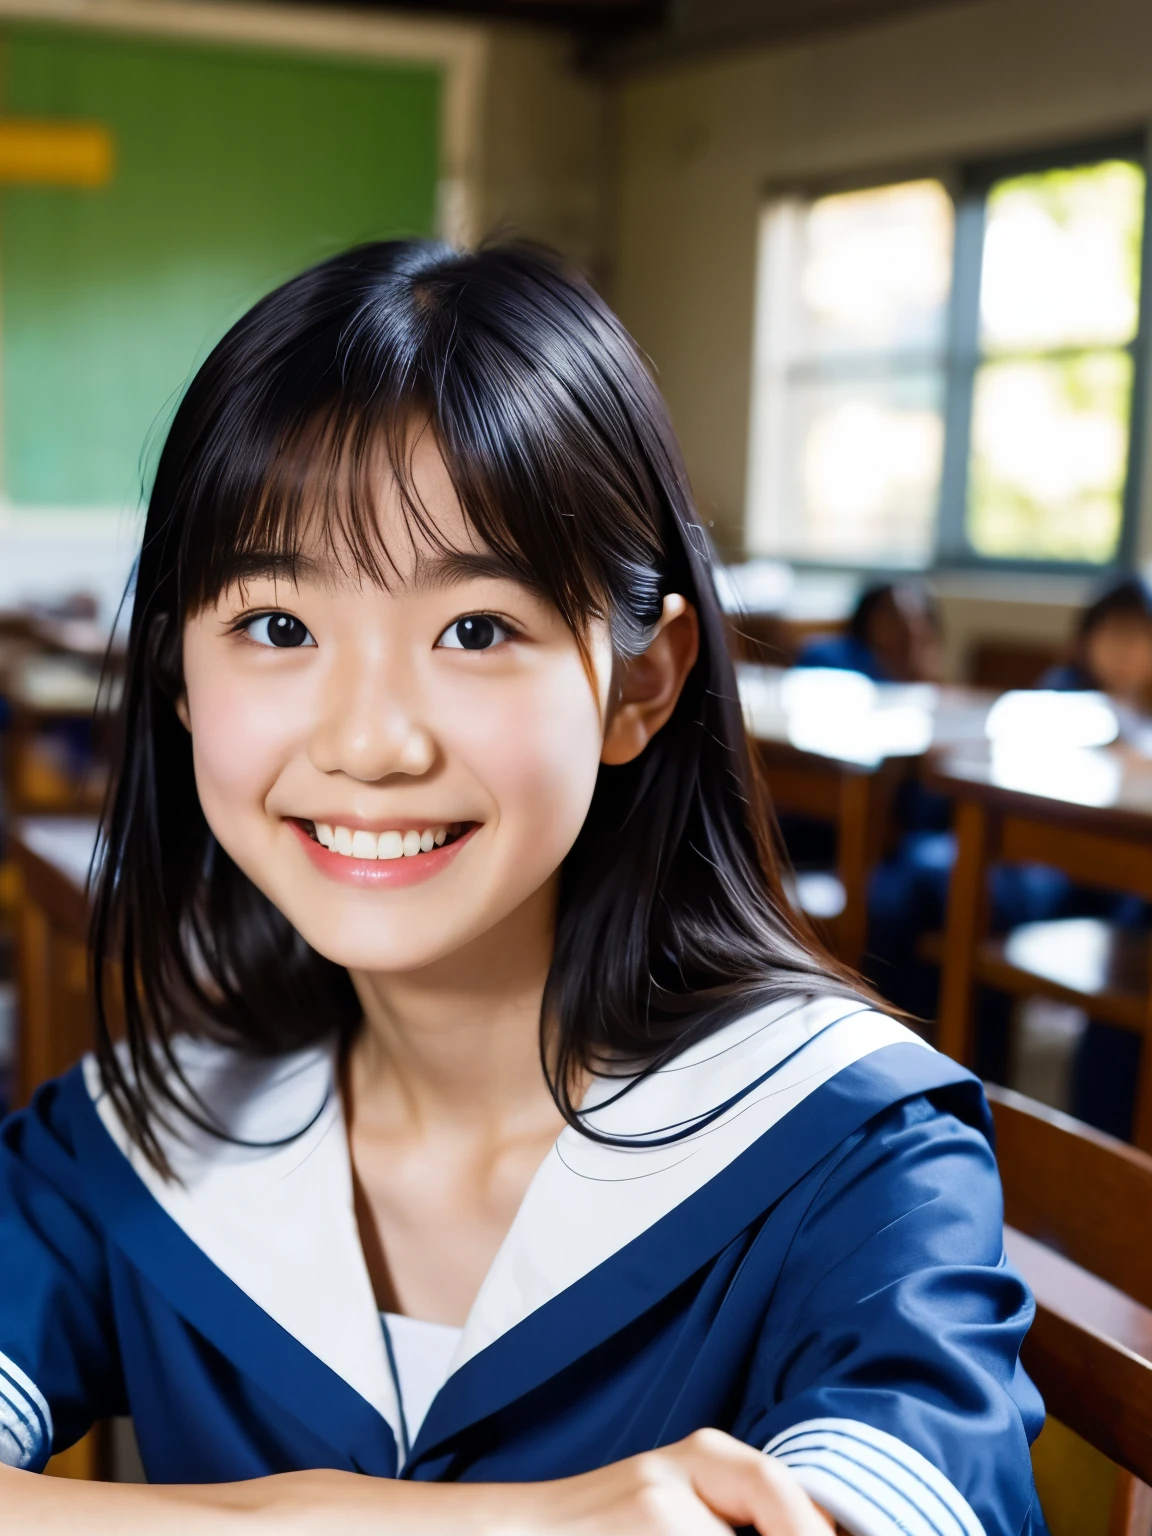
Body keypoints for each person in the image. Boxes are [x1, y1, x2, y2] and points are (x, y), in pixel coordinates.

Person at [0, 241, 1045, 1534]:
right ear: (177, 678)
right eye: (278, 626)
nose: (371, 740)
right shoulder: (122, 1143)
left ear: (640, 684)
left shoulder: (849, 1151)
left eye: (476, 630)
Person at [796, 582, 941, 684]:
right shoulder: (825, 660)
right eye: (894, 617)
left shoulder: (925, 676)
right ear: (869, 619)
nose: (911, 627)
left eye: (918, 617)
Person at [1042, 574, 1152, 707]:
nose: (1123, 655)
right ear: (1084, 642)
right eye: (1114, 638)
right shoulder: (1061, 694)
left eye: (1135, 642)